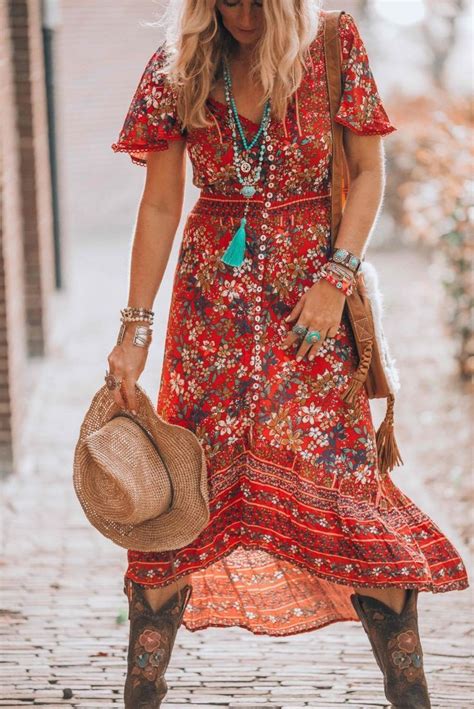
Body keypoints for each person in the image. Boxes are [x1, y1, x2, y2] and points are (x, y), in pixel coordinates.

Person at [108, 2, 469, 707]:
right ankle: (141, 691)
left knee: (347, 490)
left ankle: (411, 692)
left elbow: (368, 171)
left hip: (310, 319)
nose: (242, 13)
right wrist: (134, 331)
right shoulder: (180, 64)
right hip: (209, 319)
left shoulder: (332, 44)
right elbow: (158, 205)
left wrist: (337, 278)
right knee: (179, 498)